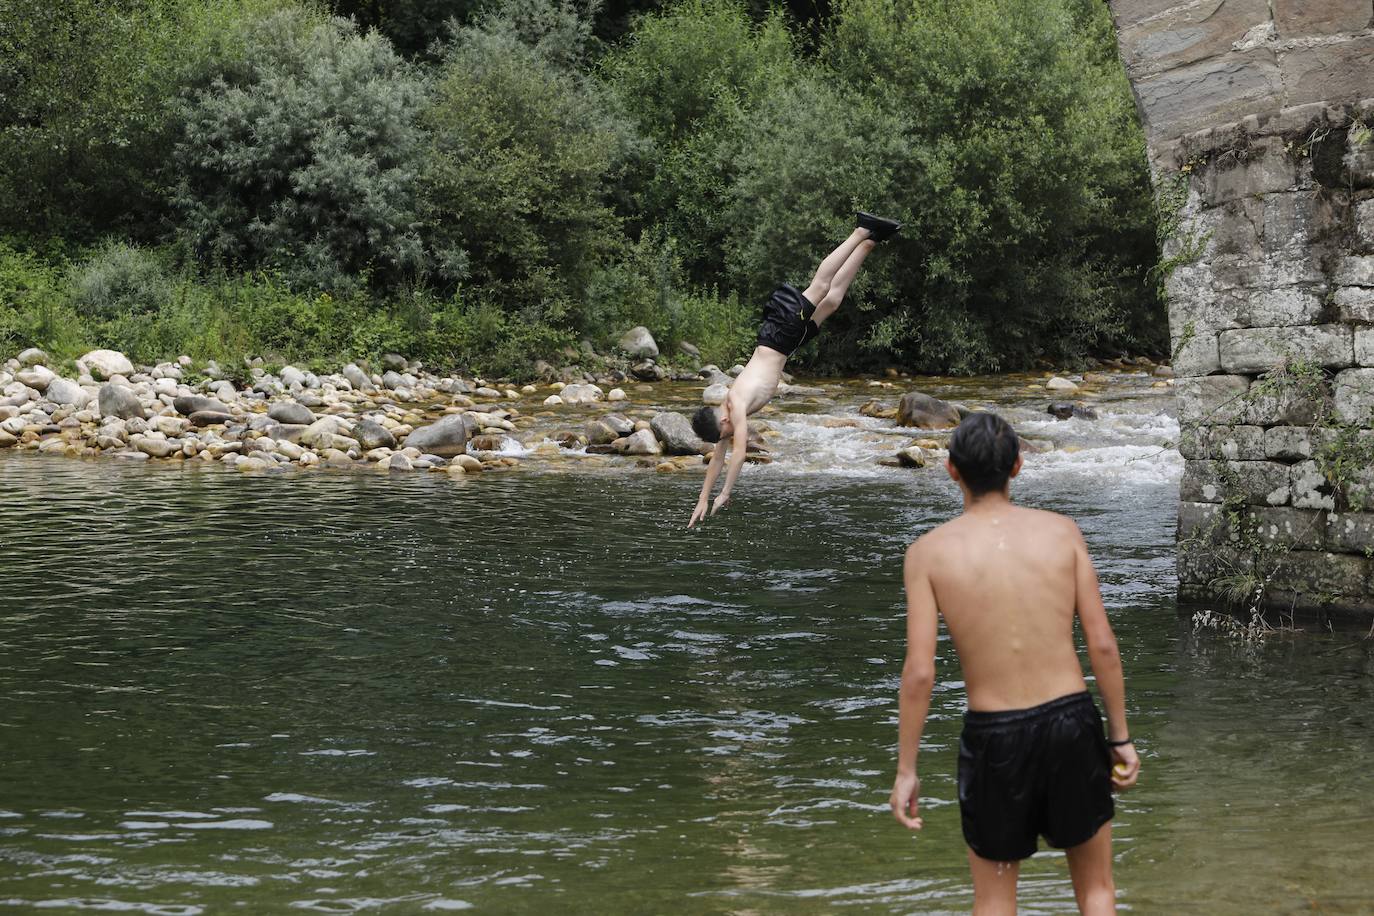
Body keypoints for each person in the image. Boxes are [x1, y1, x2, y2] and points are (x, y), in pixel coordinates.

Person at [889, 412, 1141, 915]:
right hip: (1071, 723)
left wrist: (906, 769)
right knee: (1096, 889)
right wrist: (1120, 737)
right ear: (1018, 466)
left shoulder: (927, 554)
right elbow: (1103, 645)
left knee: (996, 899)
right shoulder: (1062, 532)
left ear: (950, 470)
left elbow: (920, 673)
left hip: (995, 736)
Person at [687, 212, 901, 528]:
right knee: (832, 301)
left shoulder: (738, 407)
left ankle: (860, 230)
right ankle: (869, 242)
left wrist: (725, 493)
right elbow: (718, 458)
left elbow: (740, 453)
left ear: (722, 420)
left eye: (726, 434)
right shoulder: (726, 417)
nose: (729, 438)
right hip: (786, 343)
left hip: (780, 335)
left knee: (820, 286)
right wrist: (704, 497)